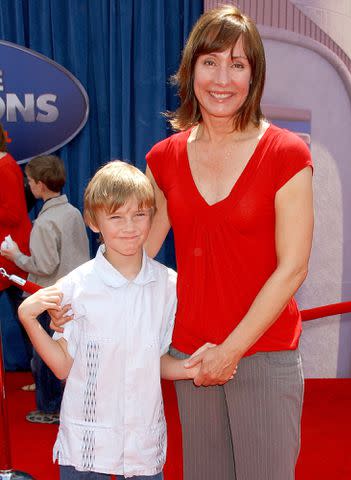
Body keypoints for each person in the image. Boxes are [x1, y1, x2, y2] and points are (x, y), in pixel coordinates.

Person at [144, 5, 314, 480]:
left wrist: (231, 351)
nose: (223, 78)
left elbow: (293, 267)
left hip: (264, 351)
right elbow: (136, 258)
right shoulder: (164, 158)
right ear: (190, 69)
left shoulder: (286, 153)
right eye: (211, 61)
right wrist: (74, 301)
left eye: (238, 64)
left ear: (254, 76)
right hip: (190, 358)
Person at [18, 160, 206, 480]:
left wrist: (196, 367)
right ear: (94, 222)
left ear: (152, 216)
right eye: (115, 217)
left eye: (139, 214)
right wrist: (28, 318)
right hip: (87, 443)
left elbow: (156, 359)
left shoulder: (168, 286)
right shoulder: (75, 287)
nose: (129, 227)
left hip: (141, 442)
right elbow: (63, 365)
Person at [1, 154, 90, 423]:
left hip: (49, 296)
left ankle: (50, 408)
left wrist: (15, 255)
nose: (27, 186)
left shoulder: (44, 223)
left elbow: (43, 265)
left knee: (45, 357)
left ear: (40, 185)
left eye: (28, 181)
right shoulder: (73, 211)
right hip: (75, 295)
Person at [0, 123, 32, 364]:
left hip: (12, 257)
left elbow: (14, 214)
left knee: (27, 319)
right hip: (7, 255)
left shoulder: (5, 166)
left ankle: (45, 380)